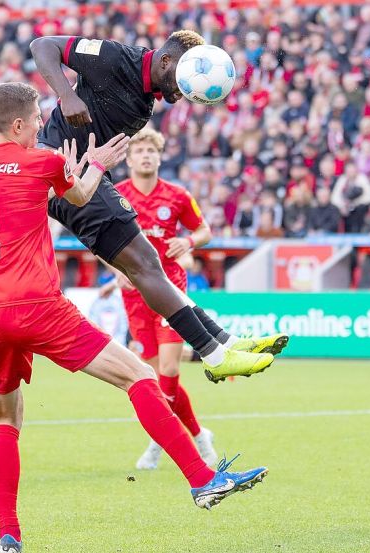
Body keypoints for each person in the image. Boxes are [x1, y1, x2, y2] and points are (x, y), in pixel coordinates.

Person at [0, 83, 267, 553]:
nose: (43, 123)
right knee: (139, 376)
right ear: (18, 124)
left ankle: (8, 535)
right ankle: (202, 479)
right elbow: (80, 197)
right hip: (37, 305)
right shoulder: (40, 159)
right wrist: (97, 163)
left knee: (6, 417)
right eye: (38, 116)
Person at [30, 30, 285, 383]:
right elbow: (42, 45)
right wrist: (67, 96)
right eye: (180, 85)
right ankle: (215, 354)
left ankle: (224, 342)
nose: (180, 96)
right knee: (147, 265)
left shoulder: (145, 102)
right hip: (65, 171)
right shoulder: (114, 58)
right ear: (166, 61)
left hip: (85, 176)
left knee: (150, 266)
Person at [112, 128, 219, 469]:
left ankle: (157, 442)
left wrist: (188, 243)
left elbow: (203, 231)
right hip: (134, 294)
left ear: (159, 158)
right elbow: (97, 238)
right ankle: (200, 435)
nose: (146, 156)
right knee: (156, 377)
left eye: (151, 151)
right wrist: (114, 268)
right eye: (139, 151)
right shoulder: (116, 196)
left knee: (171, 367)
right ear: (128, 159)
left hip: (170, 288)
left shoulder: (177, 195)